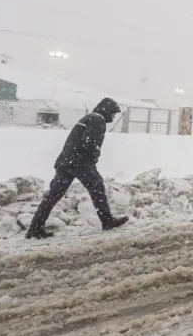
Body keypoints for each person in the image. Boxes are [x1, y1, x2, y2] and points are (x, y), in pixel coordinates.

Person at [25, 97, 129, 239]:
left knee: (53, 196)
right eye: (113, 113)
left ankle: (35, 227)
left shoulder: (89, 118)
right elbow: (90, 143)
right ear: (107, 110)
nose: (113, 116)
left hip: (65, 161)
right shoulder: (98, 120)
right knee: (97, 187)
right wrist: (94, 156)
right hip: (80, 162)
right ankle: (107, 220)